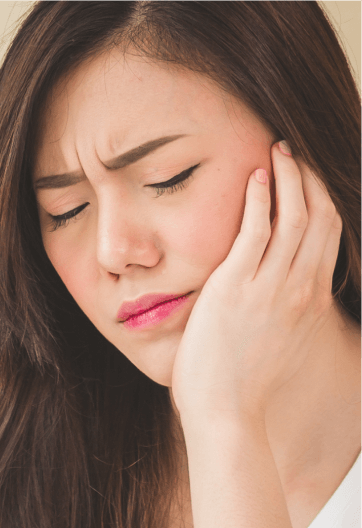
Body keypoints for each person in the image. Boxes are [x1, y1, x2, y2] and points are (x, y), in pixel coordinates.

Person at [0, 1, 360, 527]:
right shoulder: (22, 468)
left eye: (167, 177)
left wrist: (225, 419)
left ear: (305, 145)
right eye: (67, 210)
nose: (114, 251)